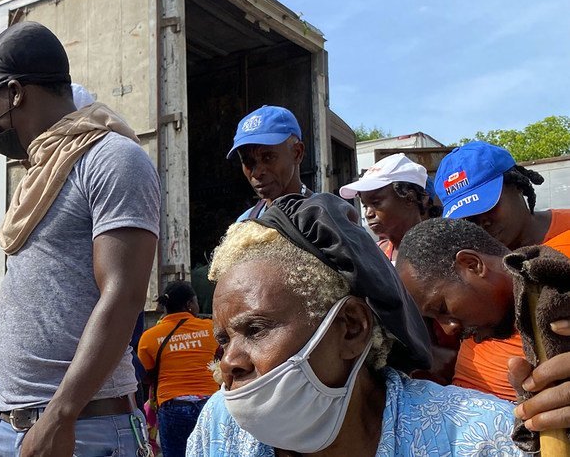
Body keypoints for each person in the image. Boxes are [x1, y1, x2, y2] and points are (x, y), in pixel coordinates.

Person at [188, 194, 521, 456]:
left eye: (255, 330)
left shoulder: (481, 439)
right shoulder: (220, 427)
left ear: (351, 328)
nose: (229, 362)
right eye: (224, 339)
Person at [0, 22, 160, 457]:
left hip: (82, 429)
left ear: (15, 93)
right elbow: (32, 305)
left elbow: (124, 295)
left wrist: (60, 415)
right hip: (10, 426)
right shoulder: (40, 175)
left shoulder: (112, 159)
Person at [433, 141, 570, 399]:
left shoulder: (566, 236)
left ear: (517, 185)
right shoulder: (467, 255)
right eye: (466, 218)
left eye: (488, 205)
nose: (480, 222)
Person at [137, 281, 217, 456]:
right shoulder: (211, 328)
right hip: (210, 404)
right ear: (189, 305)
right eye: (195, 302)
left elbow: (145, 376)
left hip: (172, 406)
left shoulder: (149, 337)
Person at [340, 152, 438, 262]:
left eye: (376, 203)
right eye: (365, 206)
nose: (368, 214)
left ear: (409, 198)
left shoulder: (441, 251)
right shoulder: (374, 255)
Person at [226, 105, 311, 221]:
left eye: (268, 157)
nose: (256, 173)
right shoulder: (245, 224)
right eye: (247, 161)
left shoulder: (328, 217)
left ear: (297, 153)